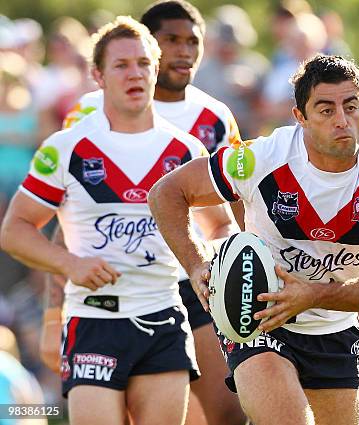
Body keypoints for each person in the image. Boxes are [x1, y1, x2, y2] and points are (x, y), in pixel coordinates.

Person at [148, 54, 359, 425]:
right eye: (326, 110)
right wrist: (197, 264)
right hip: (258, 319)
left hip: (333, 324)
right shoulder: (262, 157)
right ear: (300, 117)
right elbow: (166, 193)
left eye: (351, 106)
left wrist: (314, 295)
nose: (342, 120)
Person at [38, 2, 246, 424]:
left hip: (195, 280)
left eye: (193, 41)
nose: (184, 51)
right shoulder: (88, 114)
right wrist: (51, 315)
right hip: (113, 292)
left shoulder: (215, 117)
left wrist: (239, 276)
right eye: (171, 40)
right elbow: (69, 220)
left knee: (225, 411)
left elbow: (234, 209)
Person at [0, 16, 204, 425]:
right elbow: (15, 230)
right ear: (97, 76)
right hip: (94, 321)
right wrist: (70, 266)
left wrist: (207, 268)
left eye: (144, 63)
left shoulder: (186, 150)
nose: (135, 73)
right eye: (121, 65)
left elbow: (218, 227)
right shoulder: (66, 148)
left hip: (164, 317)